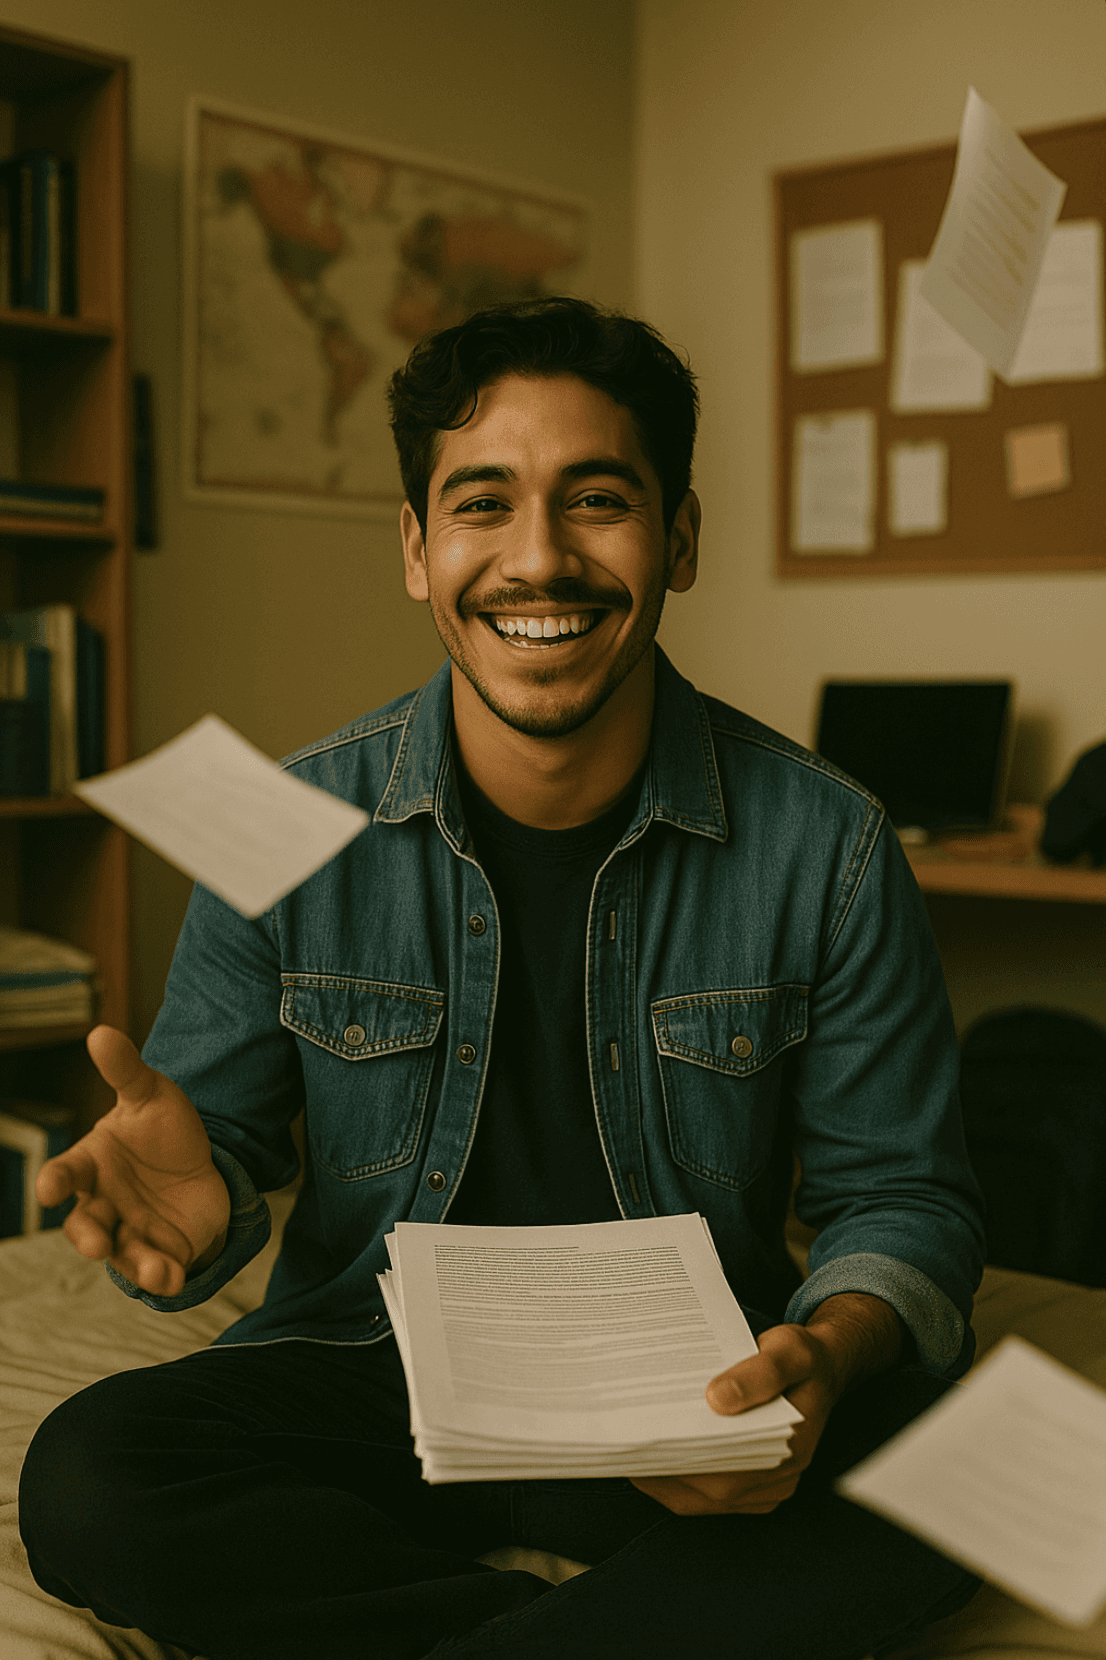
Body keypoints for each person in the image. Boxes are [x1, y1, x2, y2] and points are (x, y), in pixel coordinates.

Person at [19, 298, 985, 1660]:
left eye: (597, 501)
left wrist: (824, 1354)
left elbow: (900, 1195)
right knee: (87, 1470)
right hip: (384, 1381)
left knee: (1001, 1470)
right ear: (418, 549)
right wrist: (206, 1202)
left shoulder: (824, 841)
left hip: (696, 1402)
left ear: (680, 539)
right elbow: (206, 1165)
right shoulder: (284, 822)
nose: (539, 559)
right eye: (483, 504)